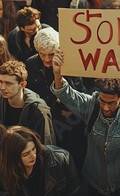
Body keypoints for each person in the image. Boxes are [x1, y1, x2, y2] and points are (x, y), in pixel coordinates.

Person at [51, 49, 120, 196]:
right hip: (95, 180)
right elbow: (66, 94)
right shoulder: (91, 105)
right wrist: (57, 73)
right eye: (102, 101)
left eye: (112, 103)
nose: (106, 107)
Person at [25, 27, 87, 172]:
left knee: (72, 159)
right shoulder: (30, 64)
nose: (47, 59)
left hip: (69, 122)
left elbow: (80, 92)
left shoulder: (70, 62)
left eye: (51, 54)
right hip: (44, 119)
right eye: (42, 54)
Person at [0, 126, 79, 195]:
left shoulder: (60, 158)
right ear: (12, 158)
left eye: (33, 149)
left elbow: (74, 191)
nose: (33, 155)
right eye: (25, 154)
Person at [0, 60, 55, 145]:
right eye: (1, 82)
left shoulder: (38, 109)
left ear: (22, 84)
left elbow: (45, 144)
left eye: (8, 83)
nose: (2, 87)